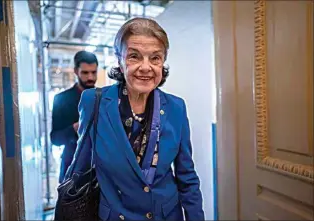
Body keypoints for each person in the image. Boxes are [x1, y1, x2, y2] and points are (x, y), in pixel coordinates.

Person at [67, 17, 204, 221]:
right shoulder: (94, 102)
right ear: (120, 61)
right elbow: (79, 168)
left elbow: (187, 178)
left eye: (155, 58)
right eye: (134, 56)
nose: (146, 67)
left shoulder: (176, 107)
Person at [50, 50, 98, 183]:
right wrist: (75, 128)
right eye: (85, 72)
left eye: (94, 72)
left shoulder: (104, 98)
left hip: (99, 170)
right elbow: (55, 139)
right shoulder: (61, 99)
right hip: (71, 170)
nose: (90, 77)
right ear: (76, 71)